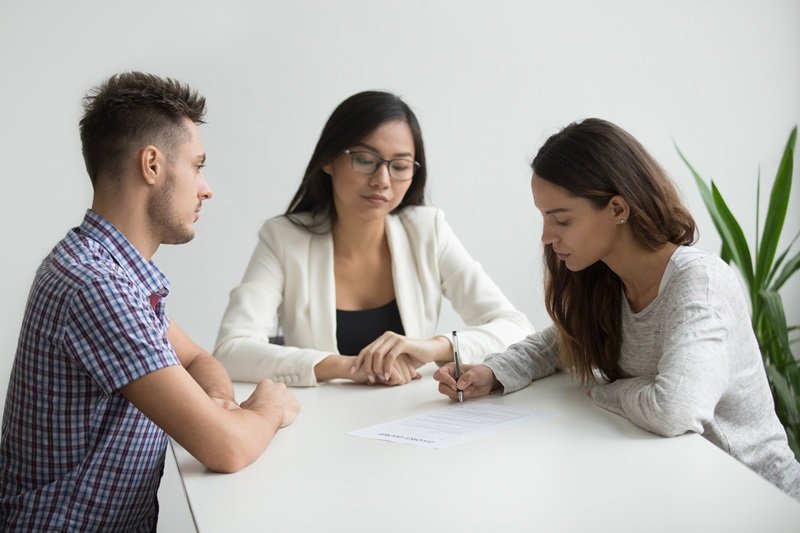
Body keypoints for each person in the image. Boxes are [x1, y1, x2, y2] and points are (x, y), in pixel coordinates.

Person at [434, 118, 800, 499]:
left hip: (758, 496)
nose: (546, 236)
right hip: (681, 489)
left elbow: (675, 410)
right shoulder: (607, 278)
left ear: (617, 209)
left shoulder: (699, 283)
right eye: (543, 217)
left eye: (561, 219)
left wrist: (607, 391)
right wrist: (493, 372)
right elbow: (561, 342)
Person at [0, 72, 300, 531]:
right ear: (153, 165)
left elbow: (198, 357)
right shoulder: (98, 286)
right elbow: (229, 448)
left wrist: (220, 402)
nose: (206, 188)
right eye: (198, 166)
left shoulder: (109, 270)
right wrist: (269, 408)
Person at [214, 90, 533, 387]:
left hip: (407, 422)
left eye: (400, 166)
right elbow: (231, 351)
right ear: (328, 159)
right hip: (318, 425)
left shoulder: (427, 230)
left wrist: (433, 347)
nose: (382, 180)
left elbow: (517, 328)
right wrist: (349, 366)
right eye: (365, 160)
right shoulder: (284, 238)